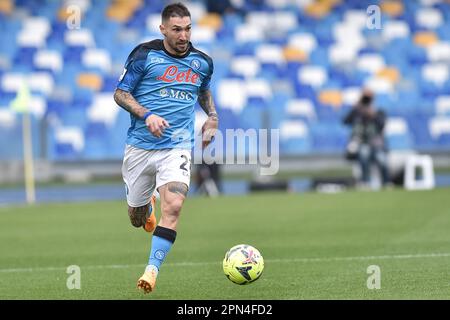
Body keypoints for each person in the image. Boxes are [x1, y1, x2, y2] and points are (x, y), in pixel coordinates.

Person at [113, 2, 218, 294]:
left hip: (177, 147)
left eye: (187, 29)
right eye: (176, 30)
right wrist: (146, 115)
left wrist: (212, 117)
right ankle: (146, 208)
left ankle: (151, 270)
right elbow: (120, 93)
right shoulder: (145, 55)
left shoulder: (202, 62)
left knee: (174, 205)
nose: (183, 36)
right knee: (136, 218)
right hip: (140, 148)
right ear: (163, 29)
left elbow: (203, 91)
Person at [343, 89, 390, 188]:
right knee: (364, 154)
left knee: (381, 159)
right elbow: (345, 121)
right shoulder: (357, 112)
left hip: (376, 144)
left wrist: (373, 115)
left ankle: (386, 182)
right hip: (361, 143)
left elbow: (382, 125)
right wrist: (355, 109)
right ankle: (365, 182)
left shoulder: (378, 112)